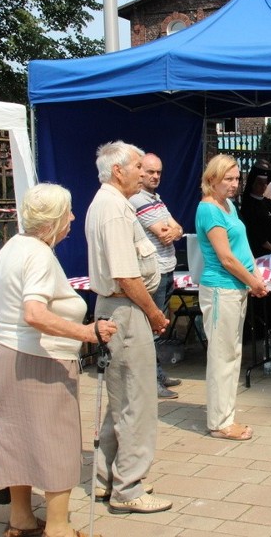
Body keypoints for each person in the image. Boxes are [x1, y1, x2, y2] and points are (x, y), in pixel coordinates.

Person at [0, 183, 118, 537]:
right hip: (41, 360)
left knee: (15, 439)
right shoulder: (40, 255)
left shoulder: (11, 246)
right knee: (57, 442)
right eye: (69, 212)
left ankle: (21, 519)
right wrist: (88, 333)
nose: (73, 218)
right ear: (55, 219)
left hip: (5, 356)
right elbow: (34, 313)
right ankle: (58, 528)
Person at [85, 141, 172, 514]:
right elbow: (126, 274)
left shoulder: (110, 203)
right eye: (138, 166)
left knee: (119, 402)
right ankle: (129, 488)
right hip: (127, 308)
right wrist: (153, 312)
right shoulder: (115, 209)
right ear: (118, 170)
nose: (143, 172)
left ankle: (107, 480)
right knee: (136, 402)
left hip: (119, 306)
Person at [196, 154, 268, 441]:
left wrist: (255, 276)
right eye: (228, 179)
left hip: (236, 288)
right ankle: (220, 422)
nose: (235, 184)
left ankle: (225, 415)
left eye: (237, 178)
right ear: (211, 180)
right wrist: (252, 281)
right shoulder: (209, 210)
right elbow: (225, 258)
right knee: (222, 356)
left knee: (232, 354)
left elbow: (242, 246)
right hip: (221, 289)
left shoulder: (228, 207)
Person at [129, 152, 184, 400]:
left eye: (159, 172)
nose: (155, 176)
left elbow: (179, 229)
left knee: (160, 326)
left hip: (167, 267)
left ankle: (158, 374)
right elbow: (164, 233)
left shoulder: (156, 199)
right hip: (154, 271)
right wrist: (172, 229)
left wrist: (174, 229)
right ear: (140, 173)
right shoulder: (139, 200)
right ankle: (152, 382)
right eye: (150, 171)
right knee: (153, 326)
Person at [240, 160, 271, 257]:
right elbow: (255, 231)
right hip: (261, 253)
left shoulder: (268, 202)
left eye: (265, 183)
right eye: (260, 183)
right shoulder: (249, 205)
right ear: (252, 184)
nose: (263, 186)